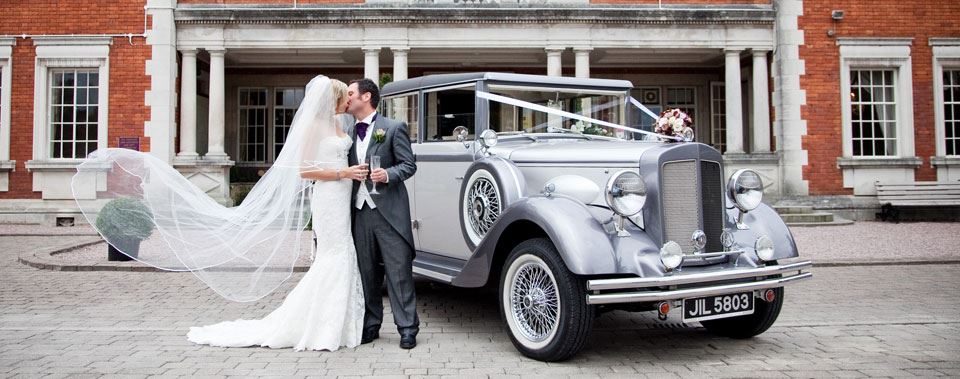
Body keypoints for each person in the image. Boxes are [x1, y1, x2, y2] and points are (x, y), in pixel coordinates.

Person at [73, 76, 375, 352]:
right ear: (333, 99)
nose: (349, 100)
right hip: (328, 195)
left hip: (342, 197)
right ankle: (320, 325)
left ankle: (341, 322)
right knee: (333, 255)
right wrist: (342, 173)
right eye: (345, 96)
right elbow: (303, 169)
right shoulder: (313, 127)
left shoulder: (341, 125)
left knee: (343, 252)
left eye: (351, 96)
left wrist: (348, 174)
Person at [345, 78, 420, 349]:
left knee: (398, 272)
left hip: (389, 212)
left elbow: (409, 166)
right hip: (359, 211)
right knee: (366, 273)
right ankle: (371, 324)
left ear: (366, 97)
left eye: (351, 93)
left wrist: (388, 174)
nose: (347, 98)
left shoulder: (393, 128)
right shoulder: (346, 133)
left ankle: (408, 328)